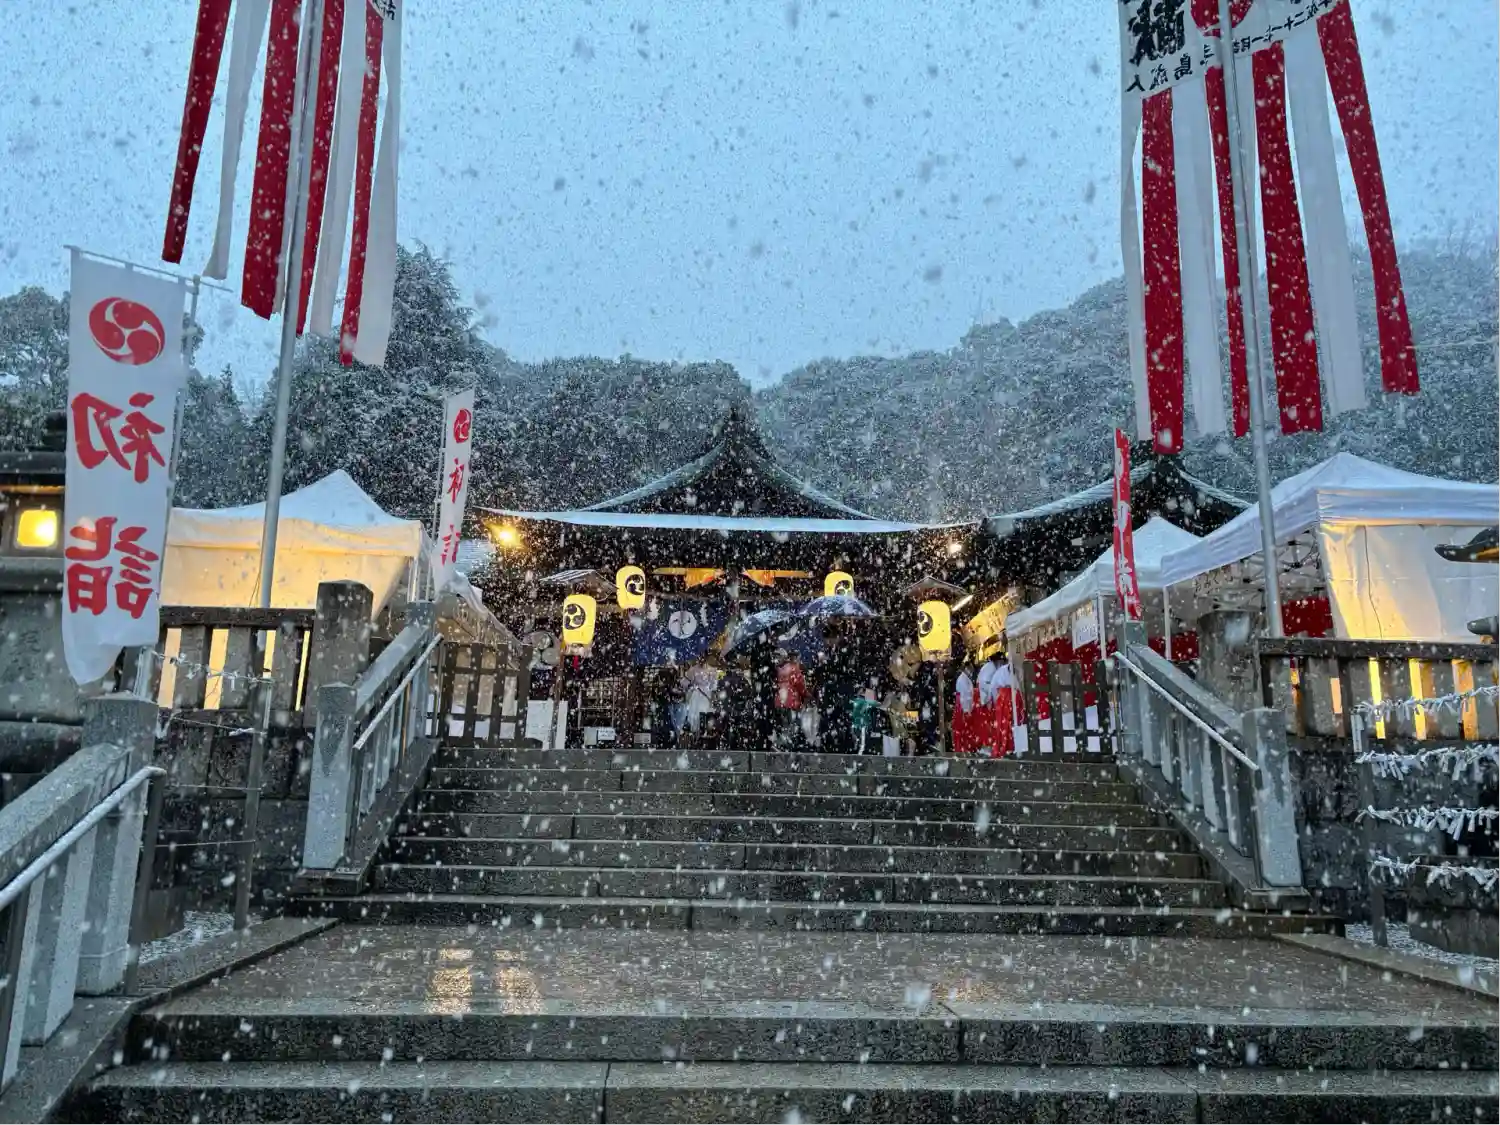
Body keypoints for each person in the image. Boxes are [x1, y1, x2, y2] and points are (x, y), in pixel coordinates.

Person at [775, 649, 807, 748]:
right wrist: (807, 696)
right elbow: (801, 686)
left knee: (784, 724)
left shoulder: (776, 669)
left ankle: (781, 744)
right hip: (791, 703)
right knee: (792, 725)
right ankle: (789, 745)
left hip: (780, 702)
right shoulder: (793, 669)